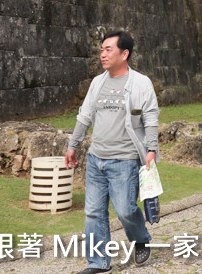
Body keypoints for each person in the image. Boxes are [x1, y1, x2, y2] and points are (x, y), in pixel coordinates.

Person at [65, 30, 158, 274]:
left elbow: (150, 118)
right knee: (94, 212)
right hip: (96, 159)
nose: (102, 54)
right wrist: (73, 145)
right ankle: (98, 262)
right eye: (102, 49)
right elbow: (84, 116)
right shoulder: (98, 82)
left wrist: (152, 150)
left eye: (108, 49)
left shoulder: (141, 83)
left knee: (126, 210)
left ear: (124, 53)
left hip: (125, 160)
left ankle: (140, 238)